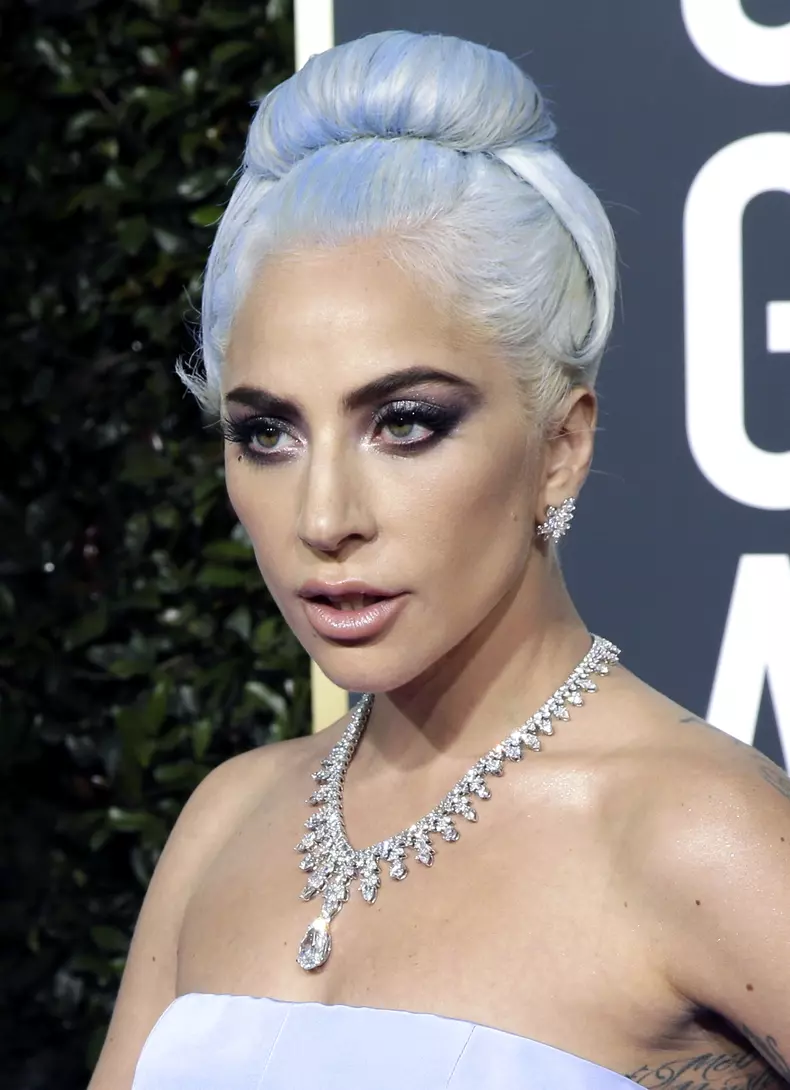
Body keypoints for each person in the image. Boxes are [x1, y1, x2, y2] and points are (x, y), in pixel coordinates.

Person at [88, 29, 790, 1090]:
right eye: (267, 433)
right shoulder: (224, 822)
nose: (324, 516)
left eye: (405, 422)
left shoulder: (701, 838)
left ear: (561, 447)